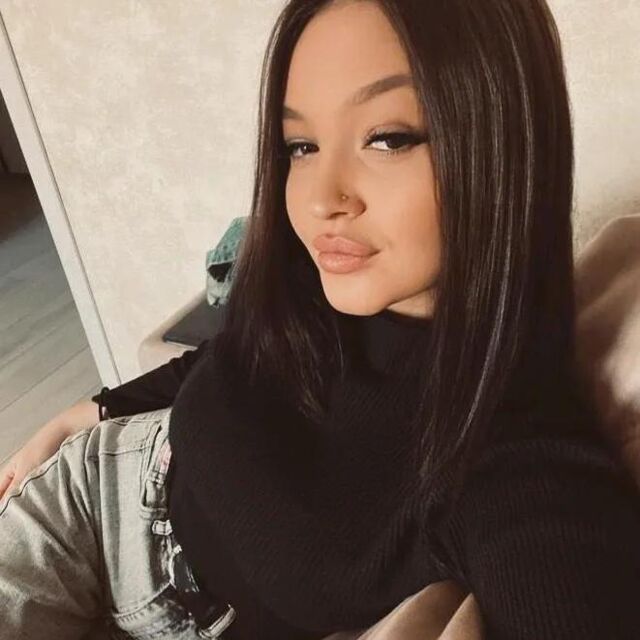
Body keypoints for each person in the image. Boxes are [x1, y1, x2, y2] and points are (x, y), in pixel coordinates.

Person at [1, 1, 639, 638]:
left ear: (506, 140)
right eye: (300, 146)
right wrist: (92, 410)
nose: (318, 199)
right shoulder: (325, 288)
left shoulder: (514, 458)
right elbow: (234, 356)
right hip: (93, 496)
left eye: (387, 138)